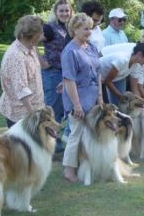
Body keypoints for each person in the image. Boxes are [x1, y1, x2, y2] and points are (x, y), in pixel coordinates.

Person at [61, 13, 102, 183]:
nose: (89, 32)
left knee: (89, 134)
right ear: (75, 29)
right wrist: (76, 105)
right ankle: (69, 171)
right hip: (77, 99)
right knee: (76, 134)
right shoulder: (70, 52)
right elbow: (69, 80)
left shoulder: (91, 47)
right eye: (85, 28)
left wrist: (100, 96)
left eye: (90, 28)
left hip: (92, 98)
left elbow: (98, 73)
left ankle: (86, 165)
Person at [0, 15, 45, 128]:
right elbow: (21, 89)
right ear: (31, 35)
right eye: (40, 32)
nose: (42, 35)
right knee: (22, 146)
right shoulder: (16, 55)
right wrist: (32, 115)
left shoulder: (30, 47)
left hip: (35, 108)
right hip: (22, 114)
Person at [40, 0, 73, 152]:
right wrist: (40, 59)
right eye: (61, 10)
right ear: (55, 12)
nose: (65, 13)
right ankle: (48, 145)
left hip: (67, 74)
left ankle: (56, 142)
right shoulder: (49, 28)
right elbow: (28, 39)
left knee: (64, 108)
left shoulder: (71, 27)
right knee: (53, 109)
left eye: (67, 10)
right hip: (53, 73)